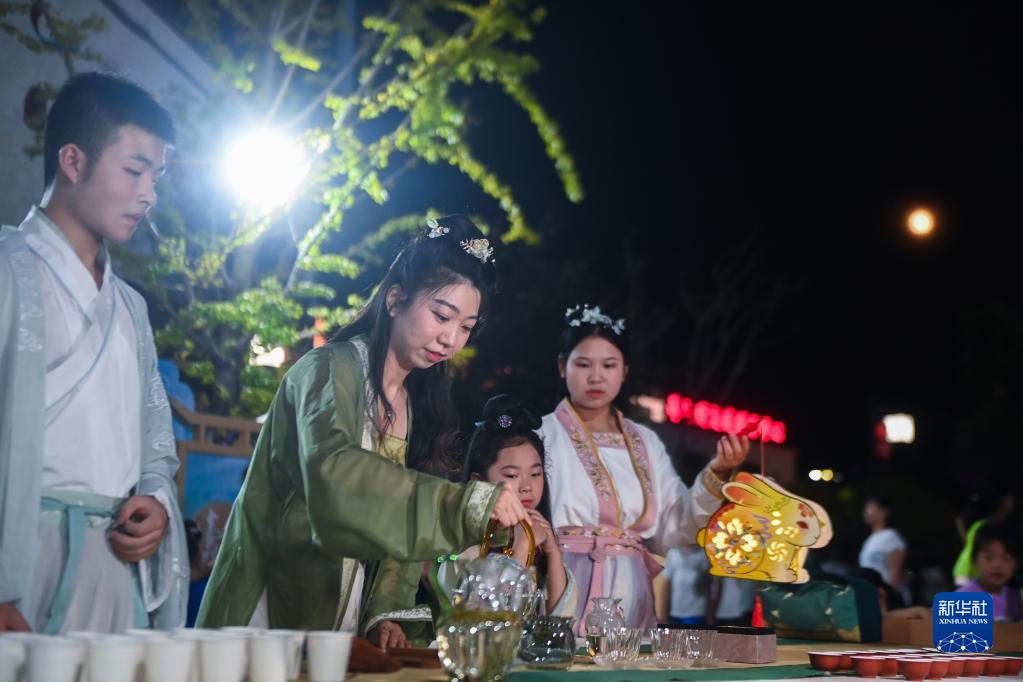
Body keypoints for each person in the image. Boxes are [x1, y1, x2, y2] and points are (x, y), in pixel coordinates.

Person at [196, 216, 528, 639]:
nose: (451, 339)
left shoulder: (414, 404)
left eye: (466, 327)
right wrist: (461, 506)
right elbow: (334, 475)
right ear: (395, 299)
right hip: (268, 606)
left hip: (341, 618)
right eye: (441, 315)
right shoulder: (327, 369)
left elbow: (396, 528)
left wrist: (384, 613)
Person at [0, 72, 188, 632]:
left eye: (156, 177)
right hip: (21, 563)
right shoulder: (7, 270)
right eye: (134, 171)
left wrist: (155, 504)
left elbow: (156, 447)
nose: (149, 194)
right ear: (73, 161)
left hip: (115, 563)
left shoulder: (130, 307)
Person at [540, 304, 751, 630]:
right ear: (561, 366)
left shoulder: (645, 441)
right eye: (582, 364)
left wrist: (718, 472)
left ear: (624, 370)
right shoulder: (543, 434)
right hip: (564, 583)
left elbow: (675, 522)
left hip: (631, 591)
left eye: (609, 365)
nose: (596, 376)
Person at [457, 394, 577, 616]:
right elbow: (486, 615)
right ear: (478, 482)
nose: (527, 487)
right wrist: (522, 546)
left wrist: (552, 552)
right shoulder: (465, 549)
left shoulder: (540, 540)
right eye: (512, 475)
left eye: (535, 474)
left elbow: (559, 618)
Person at [956, 523, 1022, 622]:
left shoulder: (1016, 599)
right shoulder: (962, 598)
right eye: (988, 557)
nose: (997, 565)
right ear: (974, 560)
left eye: (1006, 558)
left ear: (1016, 564)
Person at [858, 497, 906, 592]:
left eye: (871, 507)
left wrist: (890, 595)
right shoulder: (869, 539)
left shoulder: (891, 537)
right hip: (871, 593)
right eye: (866, 508)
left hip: (886, 594)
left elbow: (896, 572)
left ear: (884, 512)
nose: (866, 512)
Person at [660, 546, 711, 625]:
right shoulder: (673, 553)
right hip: (675, 612)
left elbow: (710, 587)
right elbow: (666, 585)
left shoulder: (703, 554)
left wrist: (710, 613)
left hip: (696, 611)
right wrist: (663, 614)